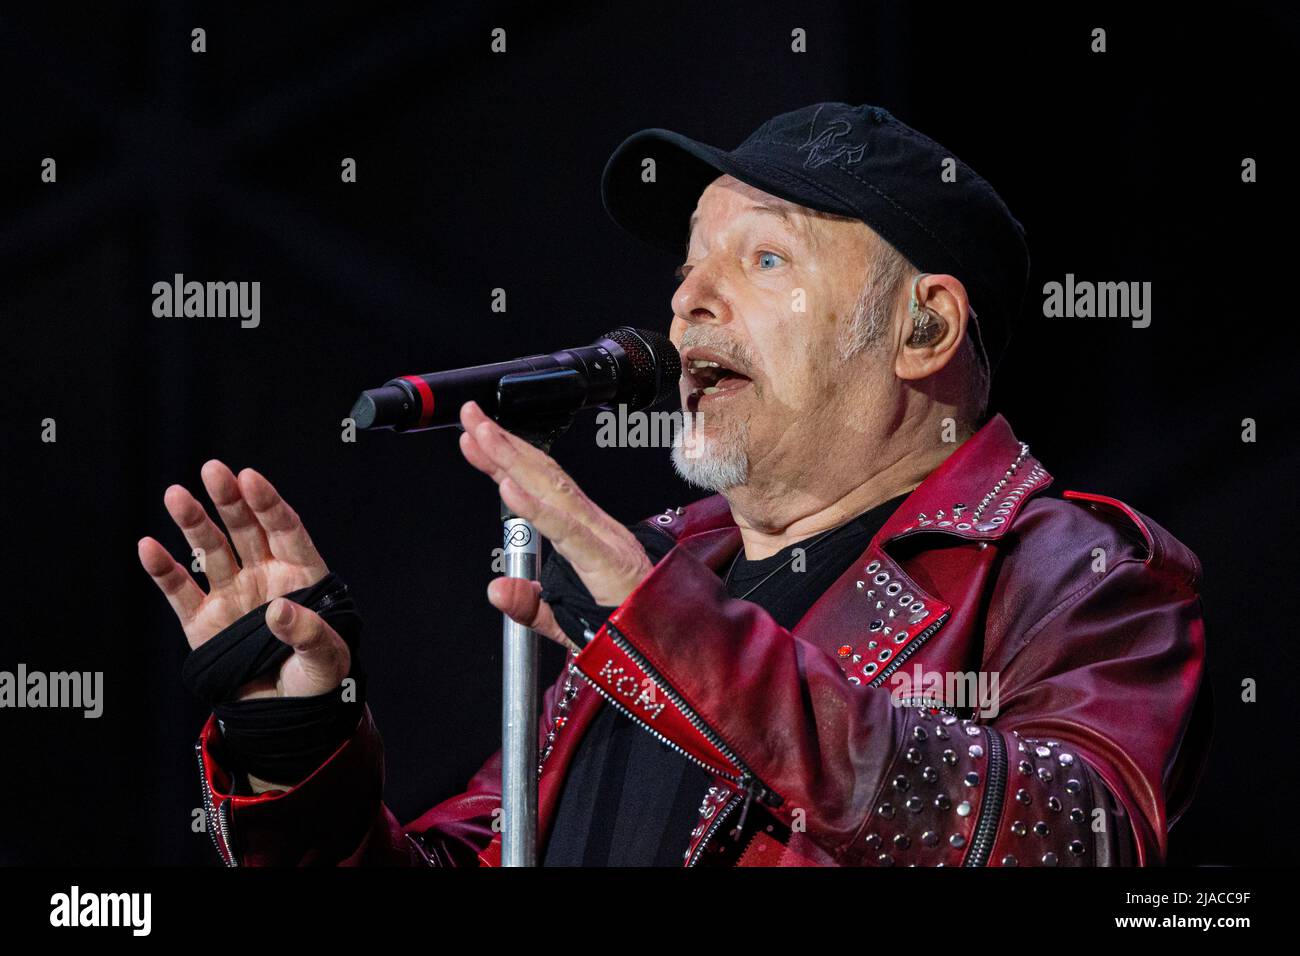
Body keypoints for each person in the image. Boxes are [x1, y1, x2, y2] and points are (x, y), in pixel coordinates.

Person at [138, 103, 1210, 866]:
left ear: (922, 325)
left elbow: (1079, 836)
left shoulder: (1069, 570)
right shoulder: (667, 576)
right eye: (691, 266)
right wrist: (300, 758)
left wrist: (680, 637)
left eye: (764, 260)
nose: (686, 299)